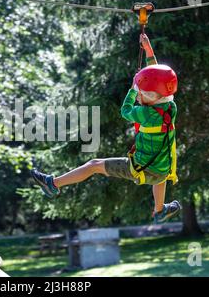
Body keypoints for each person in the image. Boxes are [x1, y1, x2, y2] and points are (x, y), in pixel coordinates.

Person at [30, 34, 181, 224]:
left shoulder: (145, 114)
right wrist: (149, 51)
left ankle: (53, 184)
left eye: (142, 93)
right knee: (159, 176)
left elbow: (125, 110)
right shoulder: (170, 107)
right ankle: (159, 210)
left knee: (94, 165)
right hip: (162, 168)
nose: (139, 95)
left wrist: (133, 88)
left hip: (141, 169)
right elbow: (156, 77)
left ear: (151, 96)